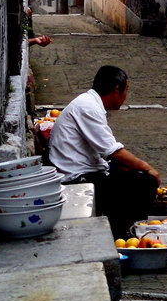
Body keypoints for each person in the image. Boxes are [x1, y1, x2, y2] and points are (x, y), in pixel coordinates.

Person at [48, 65, 160, 238]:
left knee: (129, 172)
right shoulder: (88, 107)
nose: (126, 95)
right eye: (126, 90)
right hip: (77, 178)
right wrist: (148, 168)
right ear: (116, 90)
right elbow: (113, 151)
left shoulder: (90, 103)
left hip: (88, 170)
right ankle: (123, 235)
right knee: (146, 182)